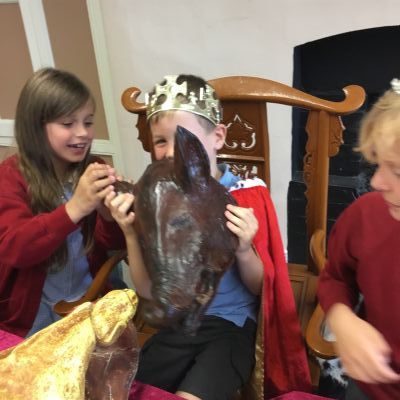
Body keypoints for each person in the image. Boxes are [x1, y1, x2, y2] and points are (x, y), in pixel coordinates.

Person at [106, 74, 311, 400]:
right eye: (160, 141)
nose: (171, 153)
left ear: (217, 137)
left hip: (231, 328)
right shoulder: (159, 201)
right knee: (126, 393)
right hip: (179, 326)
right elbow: (147, 290)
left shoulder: (246, 196)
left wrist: (244, 249)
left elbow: (262, 288)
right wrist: (130, 232)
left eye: (184, 139)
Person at [0, 67, 125, 338]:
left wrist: (109, 215)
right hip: (31, 318)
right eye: (68, 124)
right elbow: (15, 250)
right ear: (36, 128)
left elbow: (112, 245)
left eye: (88, 122)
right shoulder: (10, 177)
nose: (83, 133)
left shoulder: (93, 167)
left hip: (88, 301)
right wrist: (75, 208)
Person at [318, 78, 400, 399]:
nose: (377, 182)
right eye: (378, 164)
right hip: (370, 386)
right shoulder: (366, 214)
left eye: (397, 171)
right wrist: (342, 318)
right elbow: (336, 276)